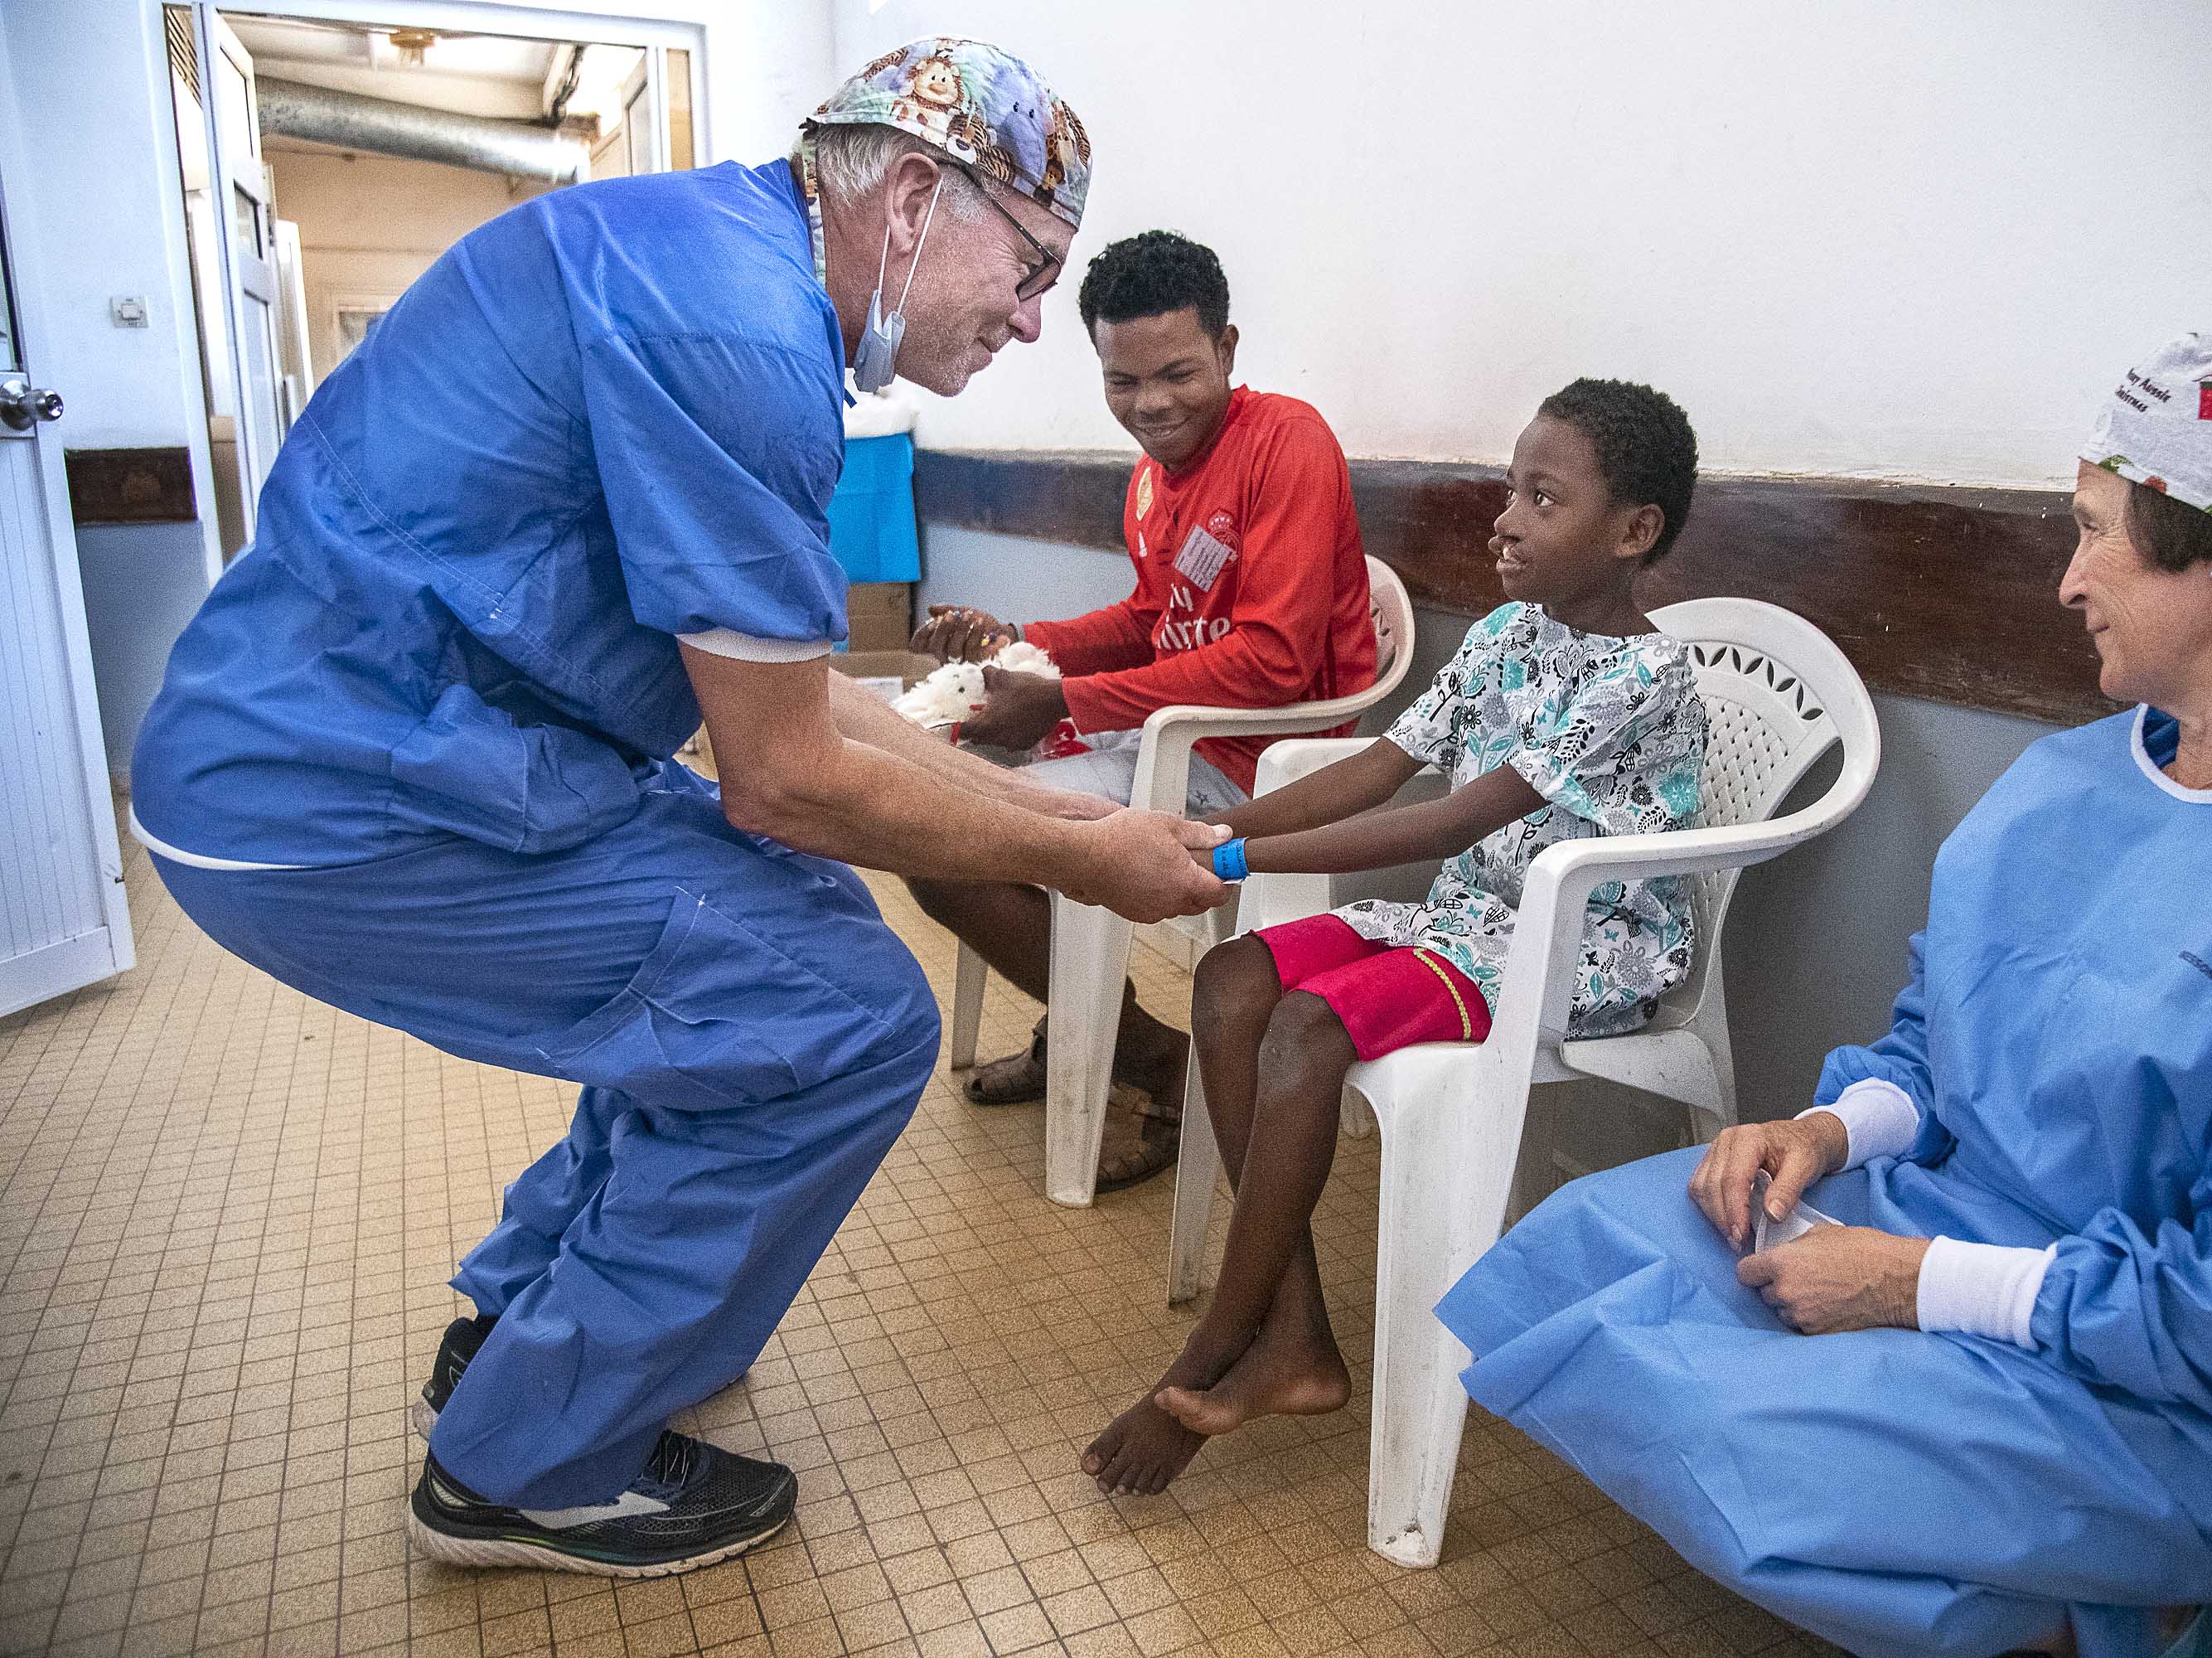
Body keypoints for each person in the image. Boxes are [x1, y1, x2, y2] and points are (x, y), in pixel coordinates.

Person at [128, 38, 1228, 1578]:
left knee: (766, 946)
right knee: (845, 1015)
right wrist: (1091, 859)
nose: (1036, 316)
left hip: (350, 738)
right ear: (916, 198)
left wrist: (1079, 838)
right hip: (339, 797)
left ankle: (529, 1327)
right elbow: (787, 777)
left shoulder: (711, 259)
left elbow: (804, 702)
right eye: (1032, 266)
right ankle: (529, 1464)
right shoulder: (740, 333)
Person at [1436, 336, 2212, 1658]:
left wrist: (1918, 1285)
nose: (2068, 580)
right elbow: (1940, 1042)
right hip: (1953, 1219)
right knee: (1583, 1250)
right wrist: (1831, 1132)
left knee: (1754, 1438)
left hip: (2184, 1392)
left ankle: (2126, 1608)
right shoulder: (2071, 783)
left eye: (2094, 532)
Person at [1083, 379, 1711, 1495]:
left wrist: (1229, 864)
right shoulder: (1509, 635)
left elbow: (1451, 821)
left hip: (1575, 948)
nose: (1505, 521)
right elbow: (1381, 768)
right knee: (1231, 978)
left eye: (1543, 499)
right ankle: (1294, 1335)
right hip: (1467, 920)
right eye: (1511, 490)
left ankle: (1213, 1351)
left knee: (1308, 1027)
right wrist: (1209, 829)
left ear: (1633, 532)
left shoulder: (1645, 679)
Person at [907, 230, 1377, 1189]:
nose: (1151, 404)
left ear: (1227, 349)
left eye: (1178, 373)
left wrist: (1066, 699)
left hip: (1263, 769)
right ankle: (1102, 1030)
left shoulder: (1286, 441)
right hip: (1169, 736)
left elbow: (1276, 661)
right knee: (935, 794)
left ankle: (1149, 1060)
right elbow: (1149, 621)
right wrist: (1020, 638)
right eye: (1123, 381)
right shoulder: (1153, 478)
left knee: (946, 843)